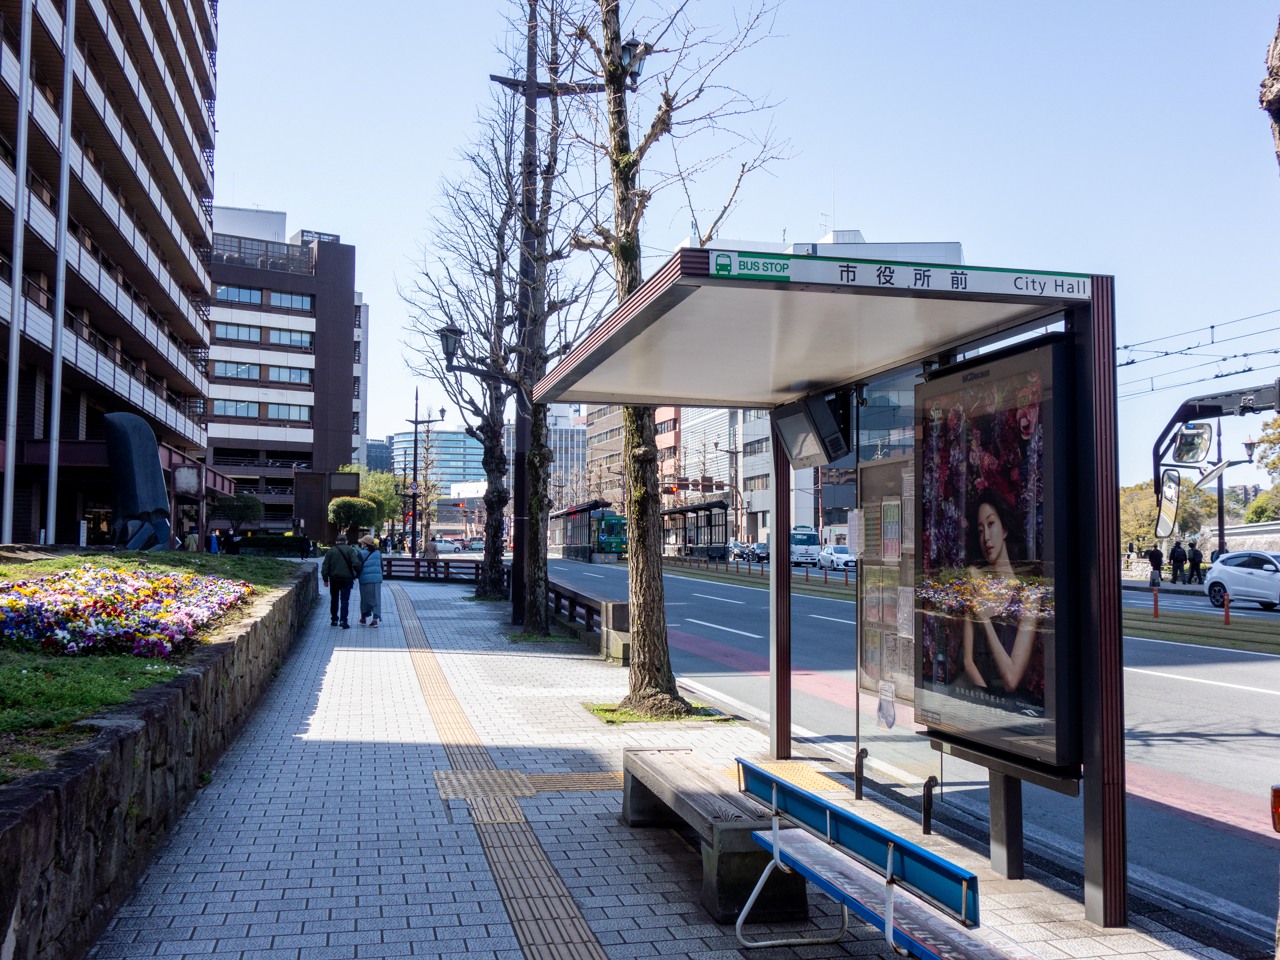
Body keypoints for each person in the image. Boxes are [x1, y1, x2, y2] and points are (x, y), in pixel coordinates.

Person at [960, 496, 1041, 702]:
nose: (986, 537)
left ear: (1004, 529)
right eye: (980, 530)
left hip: (1015, 707)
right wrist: (985, 701)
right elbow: (968, 661)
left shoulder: (1028, 594)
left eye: (991, 524)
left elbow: (1011, 680)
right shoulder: (975, 581)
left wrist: (985, 619)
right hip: (979, 699)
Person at [321, 533, 362, 628]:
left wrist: (325, 579)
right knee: (344, 600)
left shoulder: (331, 551)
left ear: (336, 542)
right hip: (347, 579)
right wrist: (356, 573)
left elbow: (325, 566)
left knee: (334, 599)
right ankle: (343, 620)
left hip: (334, 579)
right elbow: (356, 563)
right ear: (346, 541)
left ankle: (334, 619)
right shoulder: (350, 550)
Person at [357, 535, 384, 627]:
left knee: (365, 598)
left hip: (365, 579)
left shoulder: (361, 553)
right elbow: (381, 566)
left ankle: (363, 618)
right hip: (376, 579)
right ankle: (375, 619)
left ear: (365, 544)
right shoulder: (378, 553)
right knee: (376, 598)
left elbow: (357, 566)